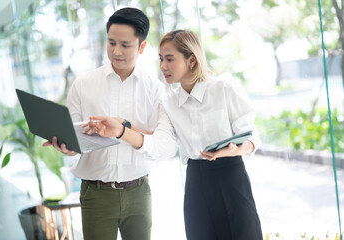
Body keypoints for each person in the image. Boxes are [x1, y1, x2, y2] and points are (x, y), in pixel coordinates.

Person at [88, 29, 263, 240]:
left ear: (191, 60)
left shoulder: (224, 87)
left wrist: (235, 150)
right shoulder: (169, 102)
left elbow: (252, 136)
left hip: (230, 174)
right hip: (196, 181)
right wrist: (124, 126)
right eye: (161, 59)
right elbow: (161, 138)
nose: (163, 66)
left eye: (170, 59)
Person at [43, 8, 177, 240]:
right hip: (96, 194)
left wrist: (124, 130)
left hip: (138, 193)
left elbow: (165, 146)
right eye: (111, 42)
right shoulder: (83, 85)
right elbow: (75, 143)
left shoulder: (155, 89)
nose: (116, 51)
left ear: (142, 47)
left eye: (125, 45)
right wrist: (66, 146)